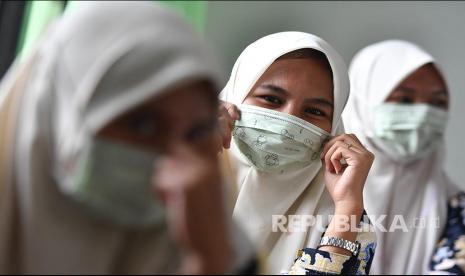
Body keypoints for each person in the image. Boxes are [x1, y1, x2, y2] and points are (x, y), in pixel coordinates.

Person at [0, 2, 255, 274]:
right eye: (142, 125)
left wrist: (207, 262)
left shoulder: (220, 250)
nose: (180, 167)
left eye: (196, 133)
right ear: (57, 118)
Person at [218, 31, 377, 274]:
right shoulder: (166, 176)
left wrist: (347, 205)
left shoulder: (348, 224)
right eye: (270, 99)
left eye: (314, 111)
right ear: (236, 96)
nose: (288, 120)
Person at [343, 39, 462, 275]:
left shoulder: (456, 210)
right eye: (404, 100)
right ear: (362, 101)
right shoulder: (310, 201)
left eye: (438, 103)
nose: (423, 114)